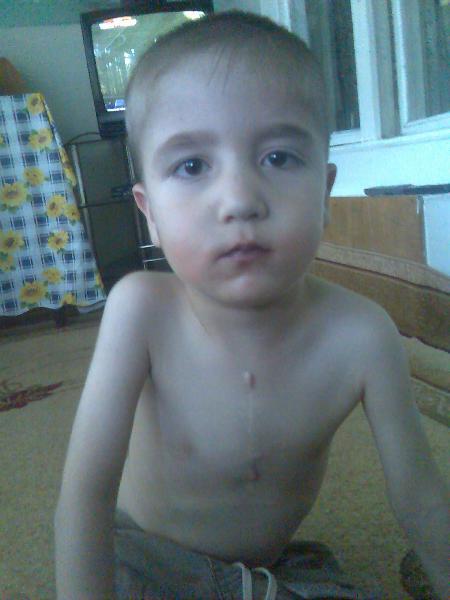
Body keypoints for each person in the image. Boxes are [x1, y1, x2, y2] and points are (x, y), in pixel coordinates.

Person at [54, 11, 449, 600]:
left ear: (325, 193)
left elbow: (419, 496)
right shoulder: (139, 311)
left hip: (271, 568)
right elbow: (85, 499)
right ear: (150, 213)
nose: (239, 200)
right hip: (146, 556)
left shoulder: (364, 334)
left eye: (279, 158)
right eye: (192, 166)